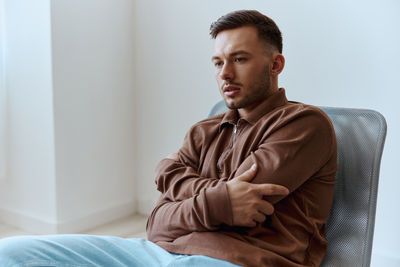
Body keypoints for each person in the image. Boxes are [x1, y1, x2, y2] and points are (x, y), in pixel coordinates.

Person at [0, 10, 337, 267]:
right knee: (11, 252)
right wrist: (220, 202)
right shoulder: (204, 130)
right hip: (159, 253)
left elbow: (245, 206)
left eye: (239, 59)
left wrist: (173, 177)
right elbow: (156, 224)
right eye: (218, 62)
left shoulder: (304, 124)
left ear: (275, 64)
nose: (225, 74)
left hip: (236, 261)